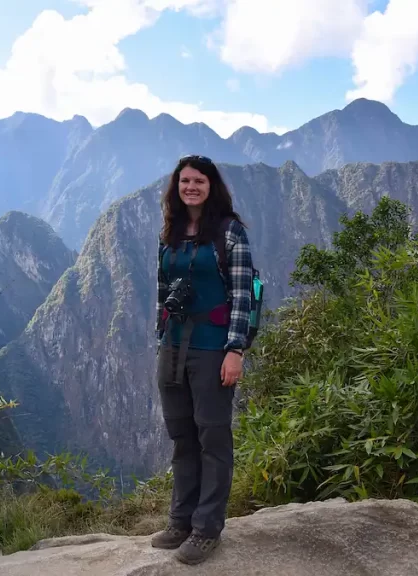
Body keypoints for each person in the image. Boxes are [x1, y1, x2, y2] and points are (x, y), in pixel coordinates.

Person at [149, 154, 253, 565]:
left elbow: (242, 296)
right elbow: (162, 291)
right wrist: (161, 335)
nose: (191, 187)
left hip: (213, 347)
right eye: (185, 181)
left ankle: (207, 529)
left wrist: (235, 350)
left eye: (199, 181)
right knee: (181, 436)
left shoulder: (229, 233)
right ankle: (181, 521)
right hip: (173, 346)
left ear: (212, 186)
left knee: (212, 436)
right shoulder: (169, 233)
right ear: (177, 186)